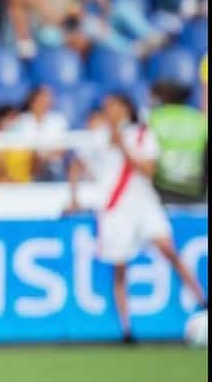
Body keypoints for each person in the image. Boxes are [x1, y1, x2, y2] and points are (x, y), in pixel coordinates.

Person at [67, 93, 208, 343]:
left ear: (125, 108)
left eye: (113, 106)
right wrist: (75, 197)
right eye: (106, 107)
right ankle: (127, 330)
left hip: (143, 204)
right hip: (115, 209)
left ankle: (202, 301)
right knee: (119, 269)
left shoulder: (143, 135)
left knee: (169, 251)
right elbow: (76, 164)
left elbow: (148, 171)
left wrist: (123, 145)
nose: (109, 111)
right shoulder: (97, 138)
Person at [147, 80, 208, 203]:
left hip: (160, 192)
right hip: (194, 192)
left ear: (161, 98)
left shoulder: (152, 119)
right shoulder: (201, 120)